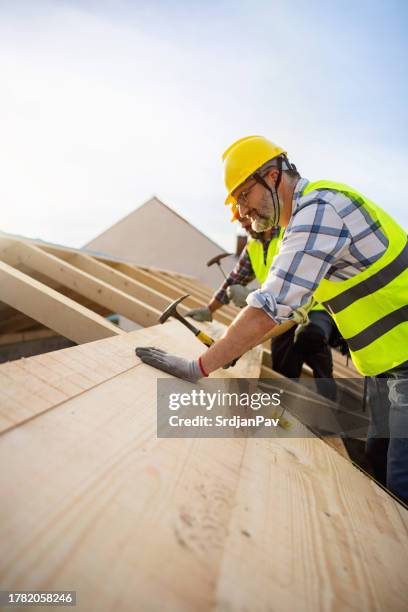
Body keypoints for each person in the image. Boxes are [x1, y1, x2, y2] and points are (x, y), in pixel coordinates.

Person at [136, 135, 408, 504]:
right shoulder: (298, 226)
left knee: (401, 476)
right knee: (377, 456)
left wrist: (200, 365)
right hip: (386, 366)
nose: (243, 212)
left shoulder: (319, 209)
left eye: (244, 196)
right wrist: (234, 345)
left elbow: (270, 306)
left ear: (272, 176)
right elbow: (291, 311)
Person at [187, 216, 338, 400]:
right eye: (241, 225)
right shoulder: (253, 246)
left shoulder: (287, 234)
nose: (245, 227)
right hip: (280, 309)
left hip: (314, 307)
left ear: (257, 214)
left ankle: (328, 399)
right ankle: (287, 402)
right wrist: (210, 310)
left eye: (246, 221)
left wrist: (241, 344)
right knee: (282, 361)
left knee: (309, 336)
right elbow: (234, 279)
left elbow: (296, 282)